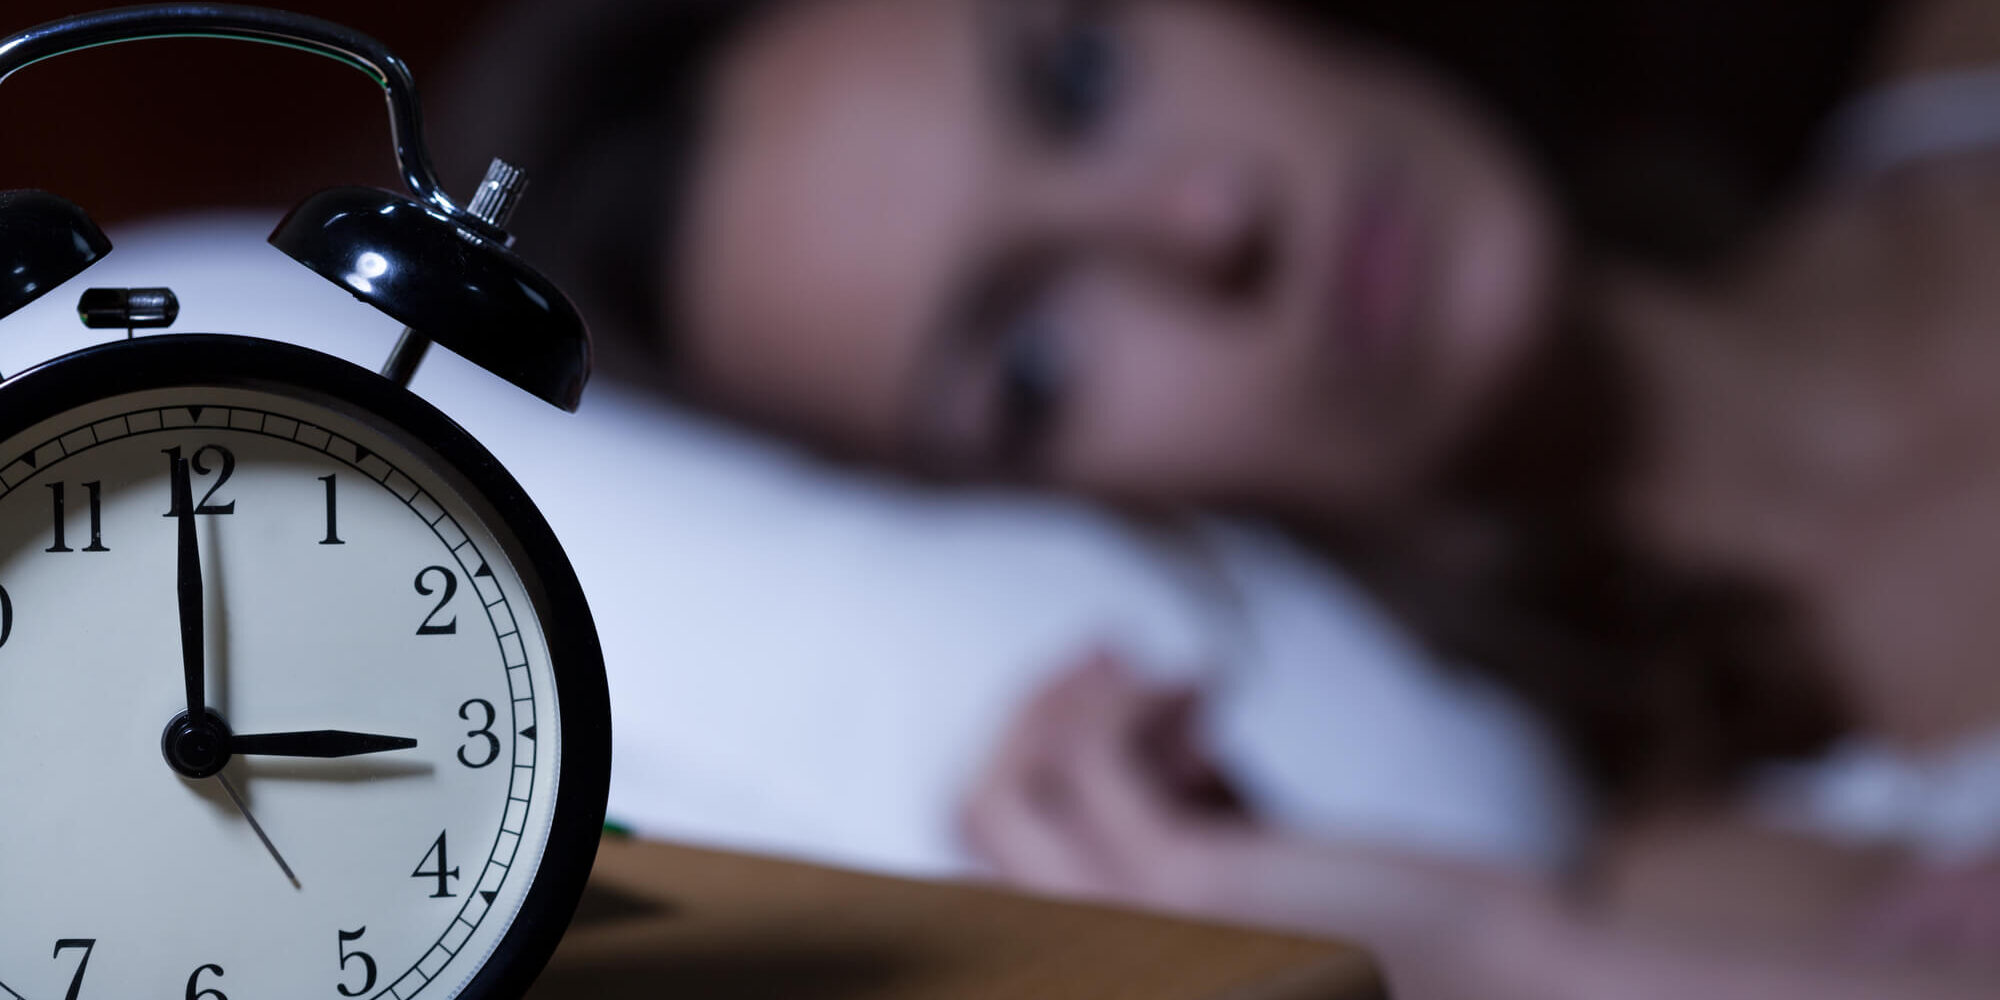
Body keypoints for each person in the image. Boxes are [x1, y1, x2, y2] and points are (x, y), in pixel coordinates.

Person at [437, 0, 2000, 995]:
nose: (1207, 217)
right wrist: (1501, 956)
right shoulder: (1754, 912)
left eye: (1081, 74)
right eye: (1032, 365)